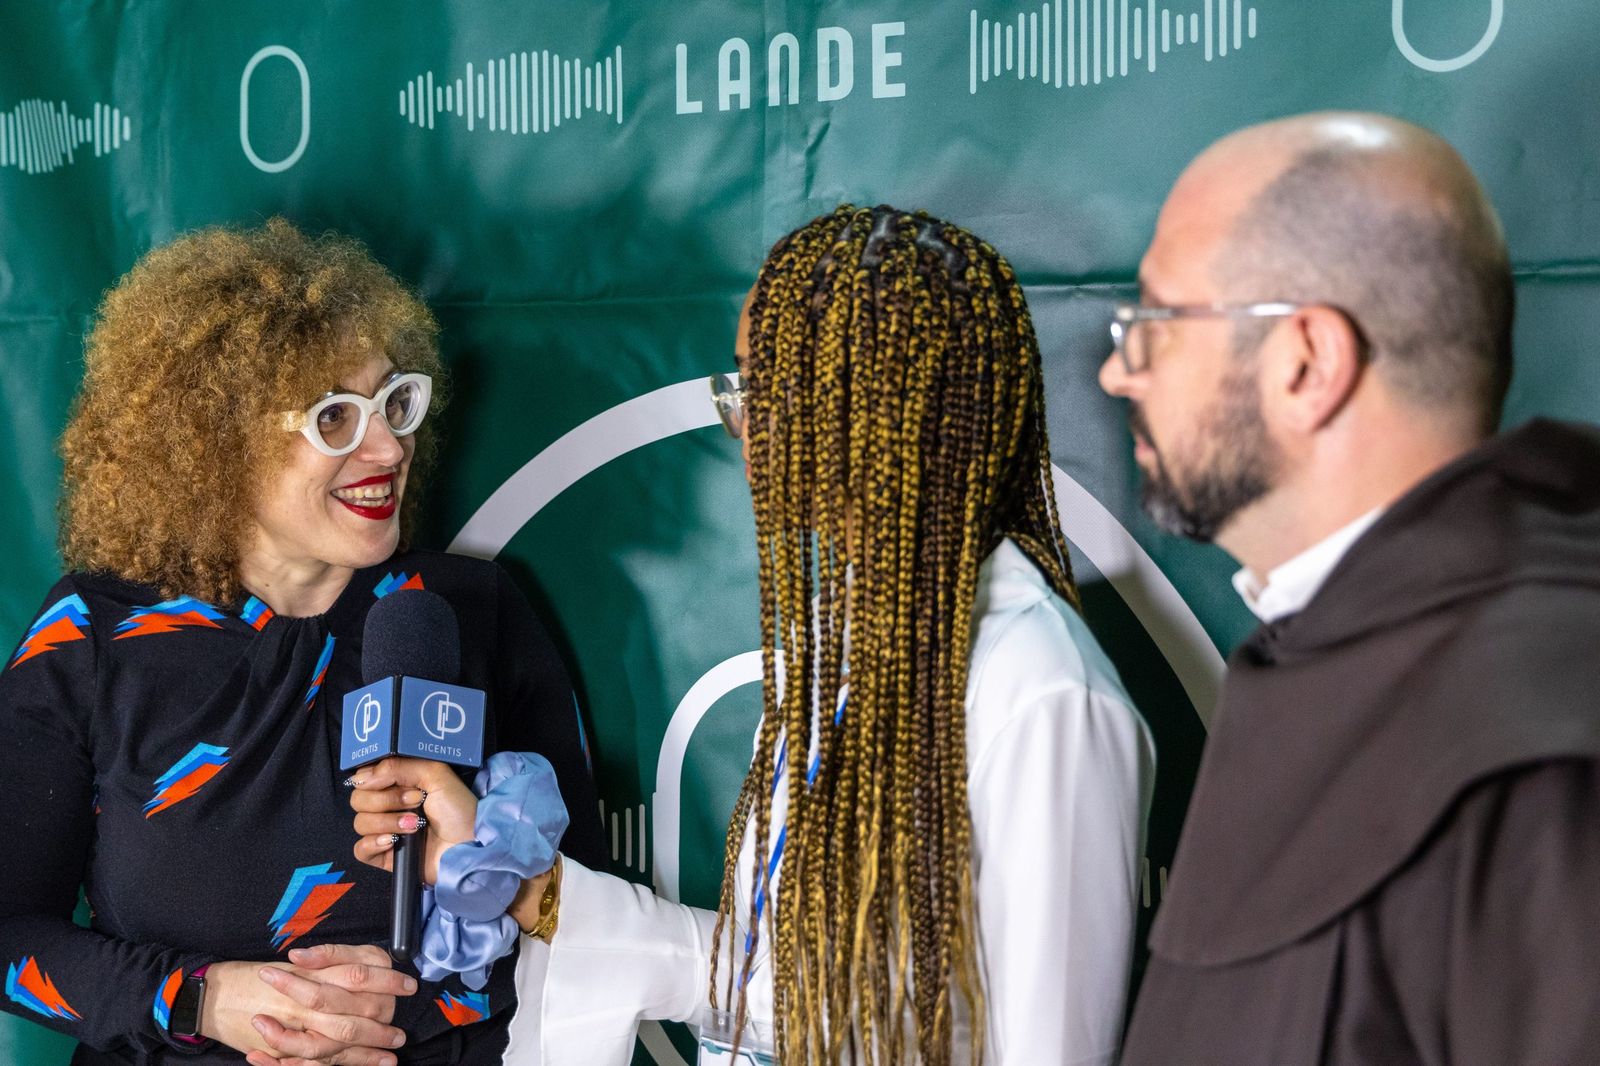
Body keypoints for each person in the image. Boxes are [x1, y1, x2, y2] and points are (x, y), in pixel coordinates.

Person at [350, 205, 1157, 1065]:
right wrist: (529, 893)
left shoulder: (1041, 694)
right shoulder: (858, 643)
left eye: (765, 386)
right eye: (741, 388)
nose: (744, 427)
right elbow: (787, 987)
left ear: (884, 403)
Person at [0, 219, 604, 1066]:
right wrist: (206, 1000)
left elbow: (594, 922)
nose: (390, 448)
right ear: (212, 445)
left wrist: (414, 1009)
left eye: (395, 403)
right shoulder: (92, 638)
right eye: (335, 419)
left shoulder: (472, 612)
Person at [1097, 112, 1600, 1065]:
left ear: (1306, 364)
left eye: (1155, 325)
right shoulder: (1318, 650)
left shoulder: (1548, 745)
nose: (1120, 372)